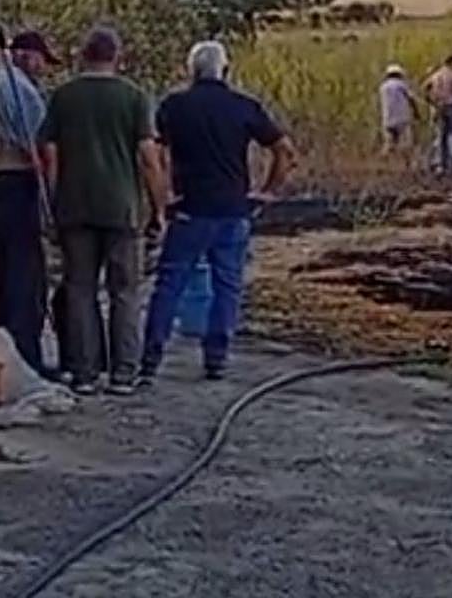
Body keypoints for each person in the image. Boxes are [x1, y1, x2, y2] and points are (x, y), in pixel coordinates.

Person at [141, 40, 296, 382]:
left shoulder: (174, 106)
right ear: (225, 69)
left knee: (170, 283)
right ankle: (217, 358)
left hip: (189, 208)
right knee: (227, 286)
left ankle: (151, 357)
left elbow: (153, 153)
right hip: (232, 209)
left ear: (191, 70)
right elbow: (284, 149)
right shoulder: (243, 106)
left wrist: (163, 198)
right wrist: (268, 191)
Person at [40, 28, 168, 396]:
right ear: (117, 56)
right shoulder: (133, 97)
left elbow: (49, 151)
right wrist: (158, 207)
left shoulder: (64, 97)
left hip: (75, 205)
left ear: (83, 55)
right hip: (122, 207)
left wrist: (53, 197)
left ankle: (84, 372)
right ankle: (124, 373)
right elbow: (148, 158)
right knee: (124, 291)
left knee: (80, 289)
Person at [0, 31, 57, 375]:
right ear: (28, 55)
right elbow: (39, 146)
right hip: (17, 180)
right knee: (24, 276)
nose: (43, 69)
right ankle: (26, 356)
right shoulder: (20, 90)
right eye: (43, 60)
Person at [423, 55, 452, 173]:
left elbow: (424, 89)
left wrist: (432, 101)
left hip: (439, 107)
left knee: (442, 136)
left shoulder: (435, 76)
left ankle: (442, 164)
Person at [378, 63, 420, 152]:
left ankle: (384, 161)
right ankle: (407, 164)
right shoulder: (401, 85)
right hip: (402, 118)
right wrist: (416, 112)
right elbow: (411, 98)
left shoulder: (383, 87)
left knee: (389, 143)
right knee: (406, 143)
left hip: (387, 119)